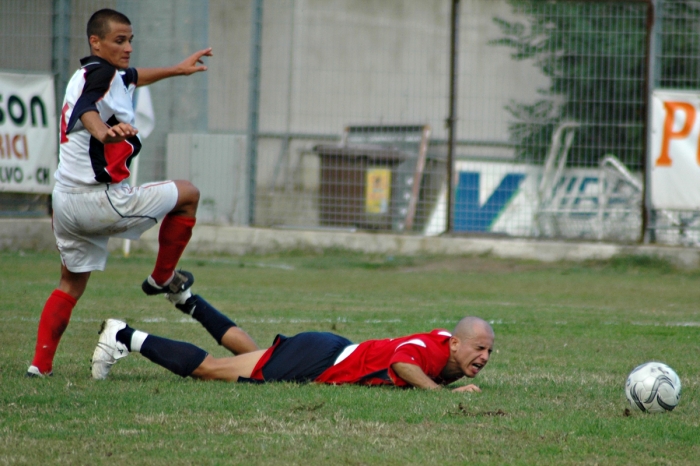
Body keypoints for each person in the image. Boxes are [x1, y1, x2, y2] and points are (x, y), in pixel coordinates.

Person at [27, 8, 213, 377]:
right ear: (95, 42)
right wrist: (102, 132)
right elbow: (86, 110)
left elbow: (133, 76)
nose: (128, 48)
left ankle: (39, 366)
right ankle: (162, 277)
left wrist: (178, 69)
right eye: (119, 40)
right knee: (188, 194)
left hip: (64, 202)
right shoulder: (101, 72)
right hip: (99, 201)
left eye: (130, 40)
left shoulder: (95, 73)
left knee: (70, 284)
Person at [91, 289, 495, 392]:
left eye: (490, 351)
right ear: (456, 344)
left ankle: (189, 301)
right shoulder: (429, 350)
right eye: (480, 348)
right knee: (213, 371)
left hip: (326, 349)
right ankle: (124, 336)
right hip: (319, 361)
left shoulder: (448, 347)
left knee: (252, 355)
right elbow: (405, 364)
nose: (485, 356)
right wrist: (438, 394)